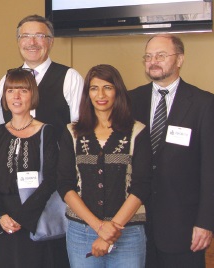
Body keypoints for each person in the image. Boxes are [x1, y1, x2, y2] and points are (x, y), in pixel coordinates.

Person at [130, 34, 214, 268]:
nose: (153, 61)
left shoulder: (203, 103)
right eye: (149, 56)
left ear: (180, 59)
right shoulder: (131, 100)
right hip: (135, 223)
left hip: (182, 226)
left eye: (161, 55)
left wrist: (206, 222)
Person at [56, 64, 152, 267]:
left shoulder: (138, 132)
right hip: (82, 233)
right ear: (87, 93)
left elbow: (141, 186)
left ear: (117, 91)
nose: (100, 94)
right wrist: (99, 227)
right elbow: (65, 185)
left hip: (128, 233)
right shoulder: (71, 133)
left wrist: (112, 229)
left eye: (107, 87)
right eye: (93, 88)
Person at [0, 68, 65, 267]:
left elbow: (51, 181)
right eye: (11, 90)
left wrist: (22, 217)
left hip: (35, 217)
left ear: (33, 94)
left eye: (23, 90)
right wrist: (0, 215)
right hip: (4, 219)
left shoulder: (47, 132)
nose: (16, 96)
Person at [0, 14, 84, 142]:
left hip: (55, 160)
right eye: (25, 36)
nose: (32, 43)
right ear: (18, 41)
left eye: (39, 36)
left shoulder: (70, 78)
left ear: (51, 41)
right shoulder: (6, 80)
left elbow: (80, 132)